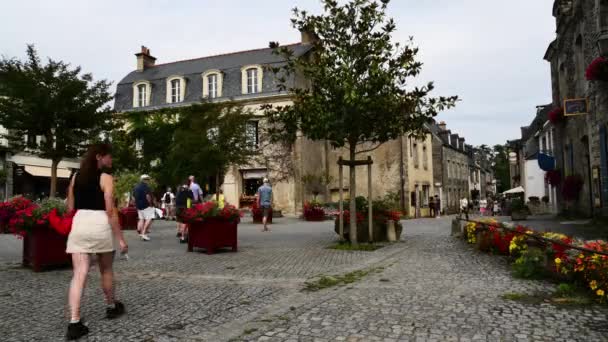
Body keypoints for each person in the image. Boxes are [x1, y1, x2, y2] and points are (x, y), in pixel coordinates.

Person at [65, 143, 128, 340]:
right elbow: (110, 210)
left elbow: (70, 207)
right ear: (99, 157)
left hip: (80, 223)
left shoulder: (75, 177)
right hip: (99, 223)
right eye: (109, 156)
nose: (111, 160)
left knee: (79, 273)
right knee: (106, 269)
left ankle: (74, 322)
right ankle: (111, 306)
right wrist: (120, 238)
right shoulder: (106, 178)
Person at [134, 174, 154, 241]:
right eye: (147, 179)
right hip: (146, 205)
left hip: (138, 206)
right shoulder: (146, 187)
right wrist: (150, 203)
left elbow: (133, 197)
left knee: (141, 219)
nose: (148, 181)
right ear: (145, 180)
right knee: (149, 218)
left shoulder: (136, 187)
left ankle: (140, 231)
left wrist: (136, 204)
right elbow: (148, 196)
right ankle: (144, 233)